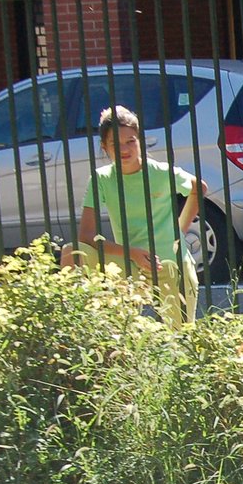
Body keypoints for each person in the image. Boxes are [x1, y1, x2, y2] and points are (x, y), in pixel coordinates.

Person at [61, 105, 204, 325]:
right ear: (104, 147)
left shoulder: (160, 172)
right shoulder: (101, 178)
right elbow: (86, 236)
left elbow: (199, 188)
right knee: (72, 251)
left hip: (170, 263)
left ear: (139, 140)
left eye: (130, 141)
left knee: (182, 338)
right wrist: (132, 253)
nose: (124, 149)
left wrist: (179, 230)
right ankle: (71, 325)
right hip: (128, 264)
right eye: (115, 144)